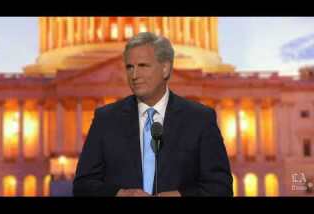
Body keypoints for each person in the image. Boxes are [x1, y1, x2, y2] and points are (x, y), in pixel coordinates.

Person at [73, 32, 233, 197]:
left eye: (143, 66)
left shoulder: (200, 119)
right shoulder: (105, 120)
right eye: (129, 67)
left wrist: (179, 196)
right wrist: (120, 194)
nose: (134, 75)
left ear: (165, 69)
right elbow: (82, 186)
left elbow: (221, 188)